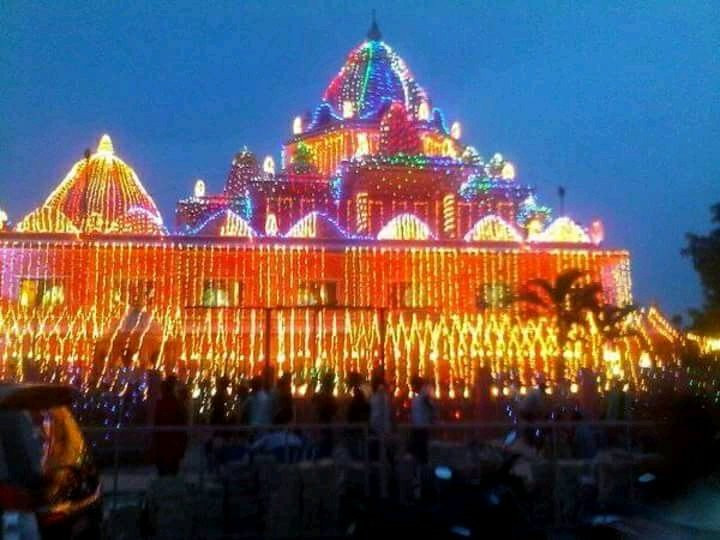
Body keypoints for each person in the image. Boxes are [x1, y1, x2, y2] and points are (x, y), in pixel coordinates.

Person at [152, 376, 188, 476]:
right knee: (171, 470)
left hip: (165, 443)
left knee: (165, 470)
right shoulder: (176, 404)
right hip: (171, 443)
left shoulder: (163, 404)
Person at [409, 375, 435, 464]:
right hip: (417, 427)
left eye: (412, 385)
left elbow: (430, 406)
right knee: (417, 452)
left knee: (420, 452)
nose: (411, 388)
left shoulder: (424, 395)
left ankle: (421, 472)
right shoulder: (419, 396)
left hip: (421, 428)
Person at [369, 375, 392, 462]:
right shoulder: (378, 396)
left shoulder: (380, 396)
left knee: (381, 452)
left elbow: (380, 414)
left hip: (379, 429)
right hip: (378, 428)